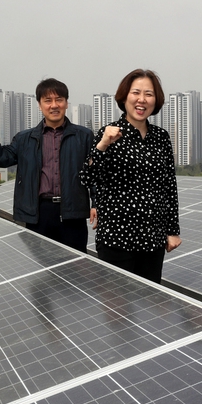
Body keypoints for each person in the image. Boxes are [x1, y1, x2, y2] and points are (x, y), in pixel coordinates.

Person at [80, 69, 180, 283]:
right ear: (124, 97)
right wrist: (103, 145)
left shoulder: (161, 137)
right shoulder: (109, 134)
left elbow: (169, 187)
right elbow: (86, 178)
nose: (141, 100)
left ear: (156, 100)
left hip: (152, 239)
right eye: (136, 92)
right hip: (117, 239)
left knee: (149, 307)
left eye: (149, 94)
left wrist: (172, 230)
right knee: (117, 310)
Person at [0, 78, 95, 252]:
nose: (54, 105)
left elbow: (95, 174)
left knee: (75, 267)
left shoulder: (84, 136)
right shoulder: (25, 139)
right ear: (40, 105)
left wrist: (96, 204)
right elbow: (2, 159)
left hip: (73, 213)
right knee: (41, 267)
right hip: (39, 213)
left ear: (66, 103)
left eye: (59, 100)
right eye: (48, 101)